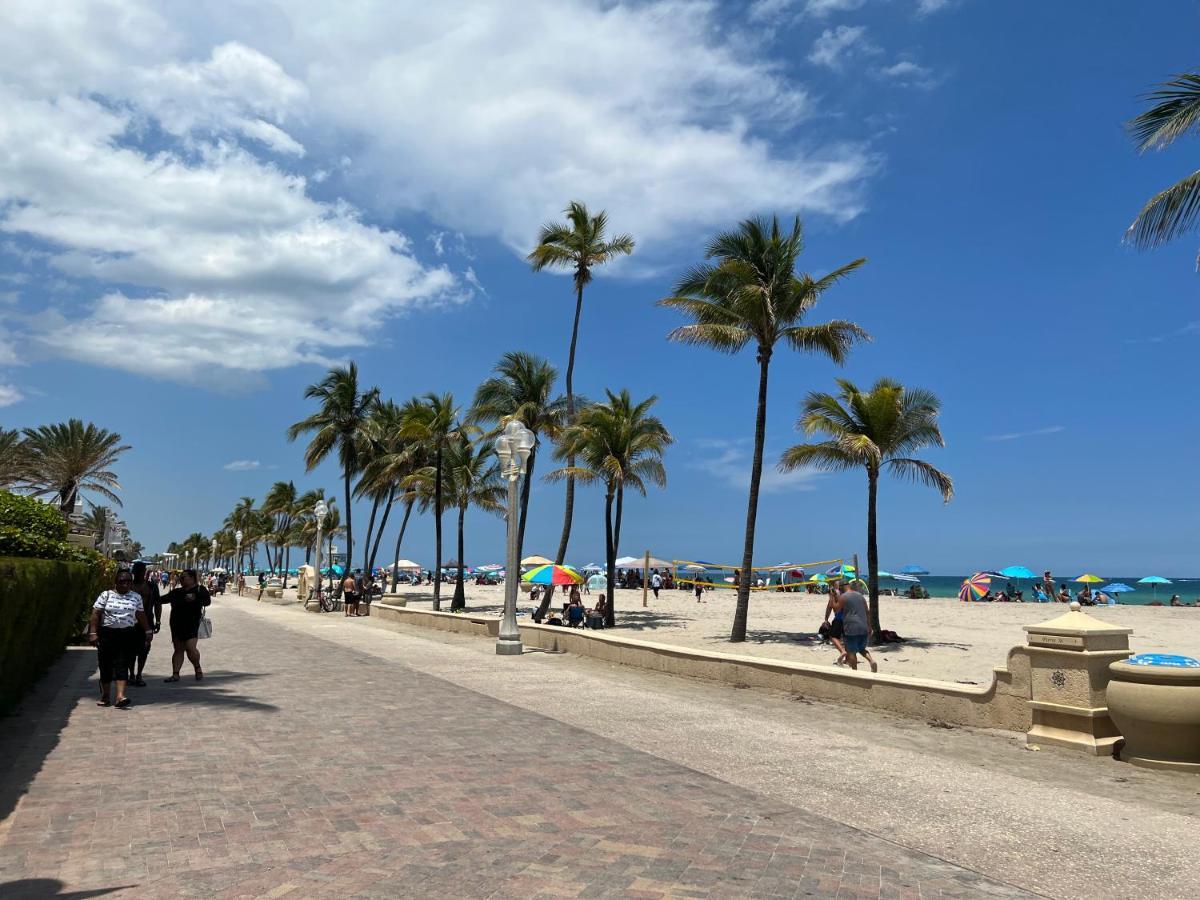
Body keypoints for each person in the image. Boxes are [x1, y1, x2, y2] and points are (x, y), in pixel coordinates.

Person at [88, 569, 152, 708]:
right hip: (107, 634)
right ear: (116, 582)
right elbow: (95, 614)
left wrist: (148, 630)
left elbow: (140, 614)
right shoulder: (106, 595)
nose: (125, 584)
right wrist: (93, 633)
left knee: (122, 664)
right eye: (122, 581)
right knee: (105, 665)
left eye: (129, 582)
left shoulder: (136, 597)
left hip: (127, 634)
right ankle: (105, 696)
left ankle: (120, 696)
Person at [161, 569, 211, 682]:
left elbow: (207, 601)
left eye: (184, 577)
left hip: (192, 624)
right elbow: (163, 599)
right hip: (176, 624)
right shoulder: (177, 592)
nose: (181, 579)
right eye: (180, 578)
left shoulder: (200, 589)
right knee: (178, 649)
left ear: (192, 578)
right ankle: (175, 674)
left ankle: (197, 668)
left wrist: (196, 598)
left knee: (190, 648)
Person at [832, 580, 877, 673]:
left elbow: (836, 609)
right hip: (863, 626)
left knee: (851, 652)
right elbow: (867, 612)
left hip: (851, 628)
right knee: (861, 649)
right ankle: (871, 661)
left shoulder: (843, 597)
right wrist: (869, 626)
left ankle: (855, 671)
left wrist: (833, 596)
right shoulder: (860, 595)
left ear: (841, 587)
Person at [129, 561, 161, 687]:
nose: (138, 574)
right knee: (130, 650)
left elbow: (157, 604)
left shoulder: (151, 586)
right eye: (136, 571)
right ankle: (131, 674)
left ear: (144, 572)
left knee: (144, 649)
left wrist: (158, 621)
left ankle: (139, 675)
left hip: (147, 622)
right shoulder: (128, 585)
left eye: (140, 571)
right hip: (130, 622)